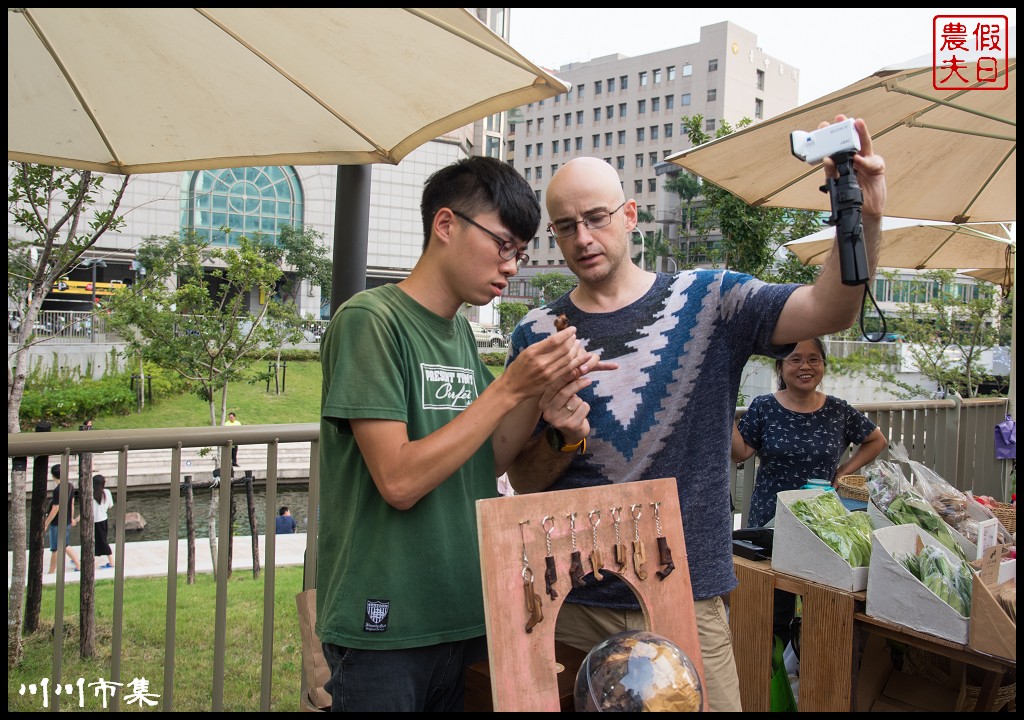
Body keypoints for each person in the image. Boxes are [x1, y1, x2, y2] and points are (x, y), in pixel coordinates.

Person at [504, 116, 885, 712]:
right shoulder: (536, 334)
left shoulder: (710, 301)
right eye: (566, 226)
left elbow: (827, 309)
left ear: (630, 216)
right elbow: (523, 480)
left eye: (597, 218)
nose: (583, 237)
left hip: (687, 592)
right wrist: (562, 439)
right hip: (568, 605)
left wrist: (862, 215)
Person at [316, 155, 611, 713]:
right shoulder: (370, 320)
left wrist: (539, 396)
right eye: (503, 245)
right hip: (386, 626)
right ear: (446, 225)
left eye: (520, 254)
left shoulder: (459, 339)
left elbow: (491, 459)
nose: (511, 267)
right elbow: (399, 480)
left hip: (465, 615)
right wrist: (508, 387)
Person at [731, 337, 887, 647]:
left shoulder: (838, 410)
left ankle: (805, 672)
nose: (805, 366)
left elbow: (876, 440)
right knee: (770, 608)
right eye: (795, 359)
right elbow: (741, 453)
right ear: (781, 366)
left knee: (819, 605)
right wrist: (723, 415)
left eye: (814, 359)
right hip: (769, 522)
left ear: (823, 365)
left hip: (820, 524)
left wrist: (843, 471)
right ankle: (767, 675)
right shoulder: (764, 406)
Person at [44, 464, 80, 574]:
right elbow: (72, 503)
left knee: (55, 548)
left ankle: (51, 572)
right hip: (67, 521)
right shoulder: (69, 485)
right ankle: (78, 565)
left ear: (53, 476)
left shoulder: (57, 490)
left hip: (57, 523)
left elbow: (55, 508)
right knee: (65, 545)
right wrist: (71, 518)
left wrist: (46, 523)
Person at [92, 473, 116, 569]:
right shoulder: (107, 492)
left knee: (98, 542)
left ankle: (112, 562)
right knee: (102, 540)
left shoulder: (91, 493)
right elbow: (110, 505)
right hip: (103, 520)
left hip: (94, 521)